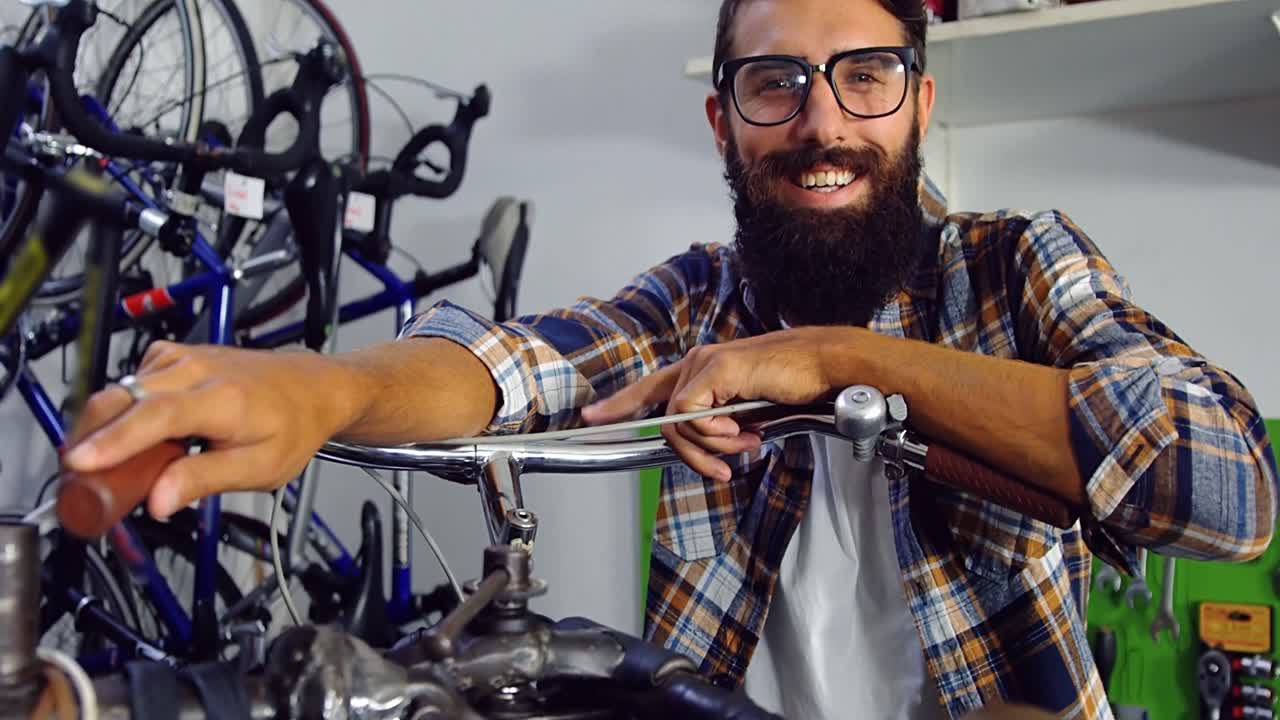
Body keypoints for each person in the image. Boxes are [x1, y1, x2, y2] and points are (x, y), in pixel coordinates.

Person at [61, 0, 1276, 717]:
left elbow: (1224, 491)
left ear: (912, 101)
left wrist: (830, 359)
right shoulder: (696, 300)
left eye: (862, 78)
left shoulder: (1017, 266)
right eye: (773, 83)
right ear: (722, 117)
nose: (821, 123)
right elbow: (511, 369)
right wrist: (323, 389)